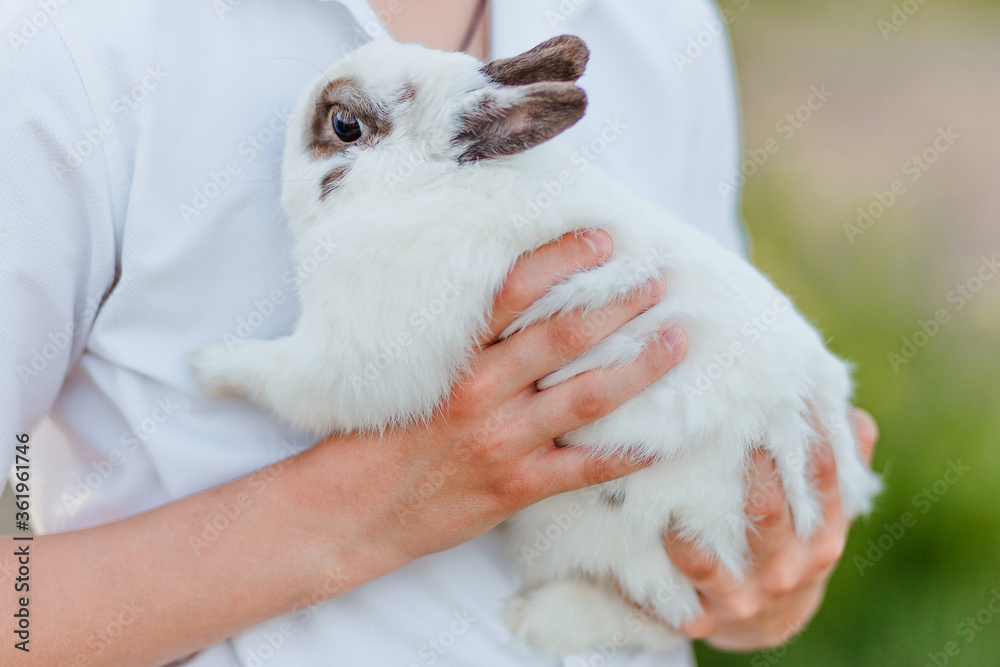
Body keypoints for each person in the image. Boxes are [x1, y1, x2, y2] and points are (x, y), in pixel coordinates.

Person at [0, 0, 878, 665]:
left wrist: (760, 580)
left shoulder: (659, 21)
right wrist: (371, 506)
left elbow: (733, 553)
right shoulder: (71, 40)